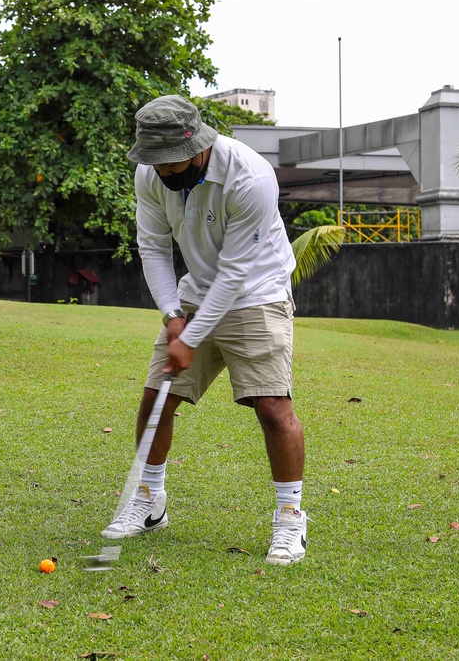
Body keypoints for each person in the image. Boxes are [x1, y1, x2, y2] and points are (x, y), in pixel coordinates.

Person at [101, 95, 307, 566]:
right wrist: (174, 317)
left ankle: (290, 515)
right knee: (158, 397)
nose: (164, 174)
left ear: (198, 146)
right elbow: (151, 246)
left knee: (272, 407)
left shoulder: (250, 177)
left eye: (172, 163)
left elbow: (236, 271)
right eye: (155, 164)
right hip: (195, 294)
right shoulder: (151, 174)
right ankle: (150, 503)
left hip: (257, 291)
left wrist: (190, 338)